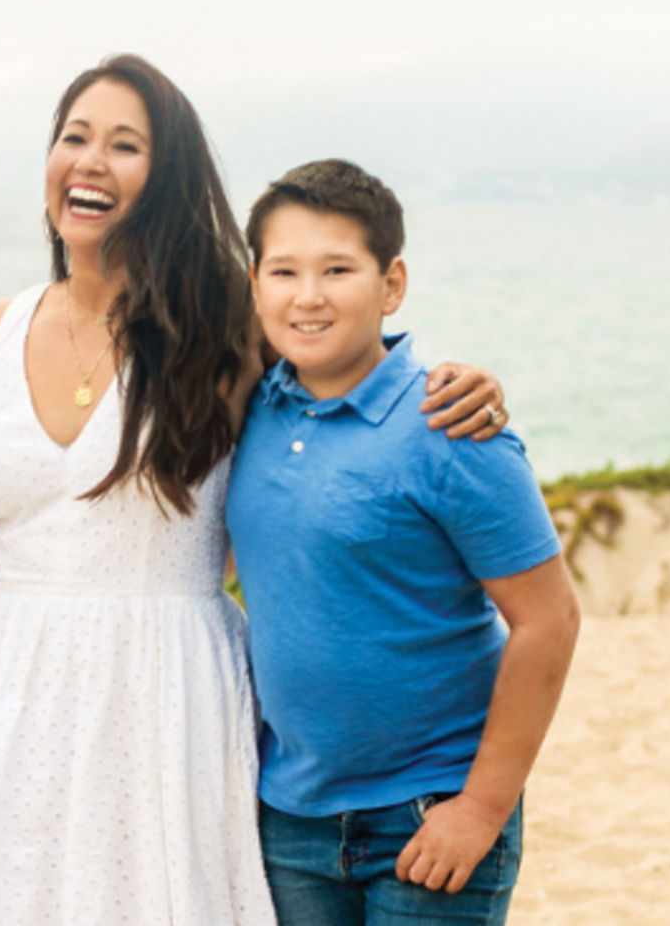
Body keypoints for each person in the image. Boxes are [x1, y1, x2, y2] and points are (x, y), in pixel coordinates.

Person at [0, 57, 509, 923]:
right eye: (75, 137)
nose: (92, 160)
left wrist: (466, 383)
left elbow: (340, 355)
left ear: (167, 177)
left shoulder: (228, 326)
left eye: (126, 144)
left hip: (169, 693)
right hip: (8, 689)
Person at [232, 159, 580, 925]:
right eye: (284, 270)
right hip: (289, 817)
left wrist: (482, 809)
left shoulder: (451, 427)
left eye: (337, 269)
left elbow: (549, 619)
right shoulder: (246, 408)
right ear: (254, 283)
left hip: (430, 811)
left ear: (391, 285)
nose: (309, 295)